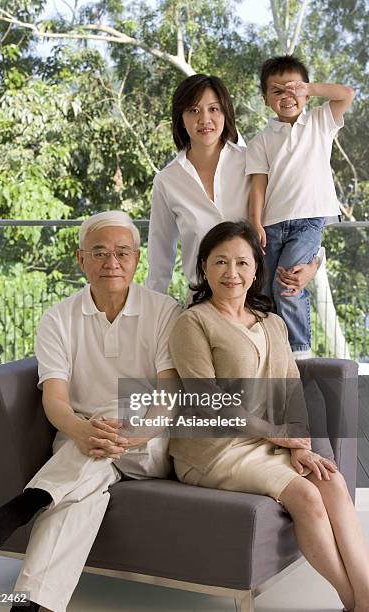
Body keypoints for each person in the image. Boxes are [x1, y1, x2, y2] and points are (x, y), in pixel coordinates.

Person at [0, 211, 181, 612]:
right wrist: (83, 430)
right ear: (80, 259)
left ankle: (35, 496)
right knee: (81, 494)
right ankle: (33, 603)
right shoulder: (58, 318)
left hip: (146, 439)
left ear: (137, 260)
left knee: (96, 445)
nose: (112, 263)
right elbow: (55, 400)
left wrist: (133, 433)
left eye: (123, 253)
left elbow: (169, 392)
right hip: (82, 437)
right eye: (100, 253)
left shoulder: (163, 311)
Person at [167, 220, 369, 612]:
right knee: (307, 496)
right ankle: (355, 602)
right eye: (221, 262)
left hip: (269, 441)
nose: (232, 272)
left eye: (242, 263)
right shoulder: (192, 323)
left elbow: (290, 391)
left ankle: (365, 594)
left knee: (330, 479)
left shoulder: (272, 322)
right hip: (213, 450)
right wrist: (278, 436)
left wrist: (299, 445)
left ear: (255, 270)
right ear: (204, 267)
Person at [146, 73, 320, 312]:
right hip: (202, 307)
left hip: (257, 302)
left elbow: (298, 215)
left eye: (214, 109)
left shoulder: (253, 161)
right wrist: (152, 318)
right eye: (193, 110)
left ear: (226, 113)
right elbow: (159, 261)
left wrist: (315, 263)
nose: (204, 119)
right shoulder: (167, 181)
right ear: (180, 118)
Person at [246, 55, 355, 358]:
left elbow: (346, 94)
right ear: (266, 99)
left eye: (294, 88)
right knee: (264, 291)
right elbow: (258, 185)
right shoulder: (260, 142)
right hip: (271, 225)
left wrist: (309, 87)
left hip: (309, 221)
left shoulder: (320, 121)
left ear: (306, 91)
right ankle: (270, 352)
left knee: (289, 283)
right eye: (277, 90)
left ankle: (299, 354)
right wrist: (255, 223)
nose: (287, 96)